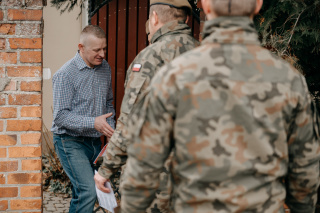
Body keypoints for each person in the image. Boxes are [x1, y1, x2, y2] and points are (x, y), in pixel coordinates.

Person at [120, 0, 320, 212]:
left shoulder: (174, 76)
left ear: (206, 5)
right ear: (258, 5)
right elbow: (306, 172)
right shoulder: (289, 80)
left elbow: (142, 163)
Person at [94, 0, 199, 212]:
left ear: (154, 18)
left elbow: (130, 122)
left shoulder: (152, 56)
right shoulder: (208, 55)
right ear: (186, 19)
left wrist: (106, 170)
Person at [51, 25, 115, 213]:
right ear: (81, 47)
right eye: (97, 50)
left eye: (104, 48)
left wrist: (110, 131)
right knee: (88, 191)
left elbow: (109, 104)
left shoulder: (105, 68)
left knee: (87, 191)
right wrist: (94, 122)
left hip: (95, 142)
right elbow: (60, 117)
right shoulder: (65, 75)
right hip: (69, 141)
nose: (102, 54)